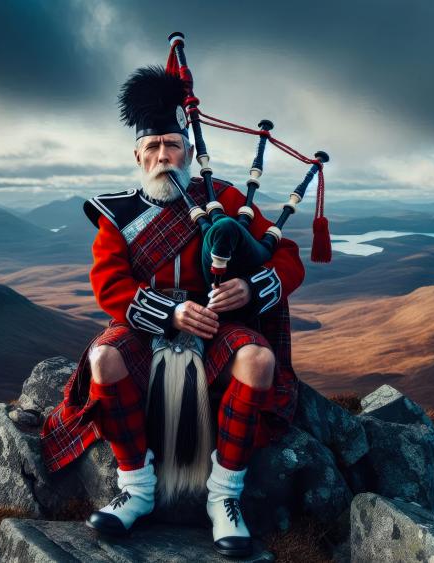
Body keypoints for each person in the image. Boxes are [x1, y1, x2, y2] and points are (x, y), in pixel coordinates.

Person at [39, 66, 304, 558]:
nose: (164, 156)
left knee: (259, 362)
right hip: (145, 326)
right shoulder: (118, 213)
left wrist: (249, 287)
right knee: (103, 360)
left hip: (219, 326)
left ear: (189, 151)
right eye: (154, 147)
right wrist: (170, 314)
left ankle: (224, 498)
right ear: (137, 155)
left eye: (173, 145)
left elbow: (285, 256)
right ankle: (135, 489)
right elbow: (109, 285)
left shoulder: (224, 199)